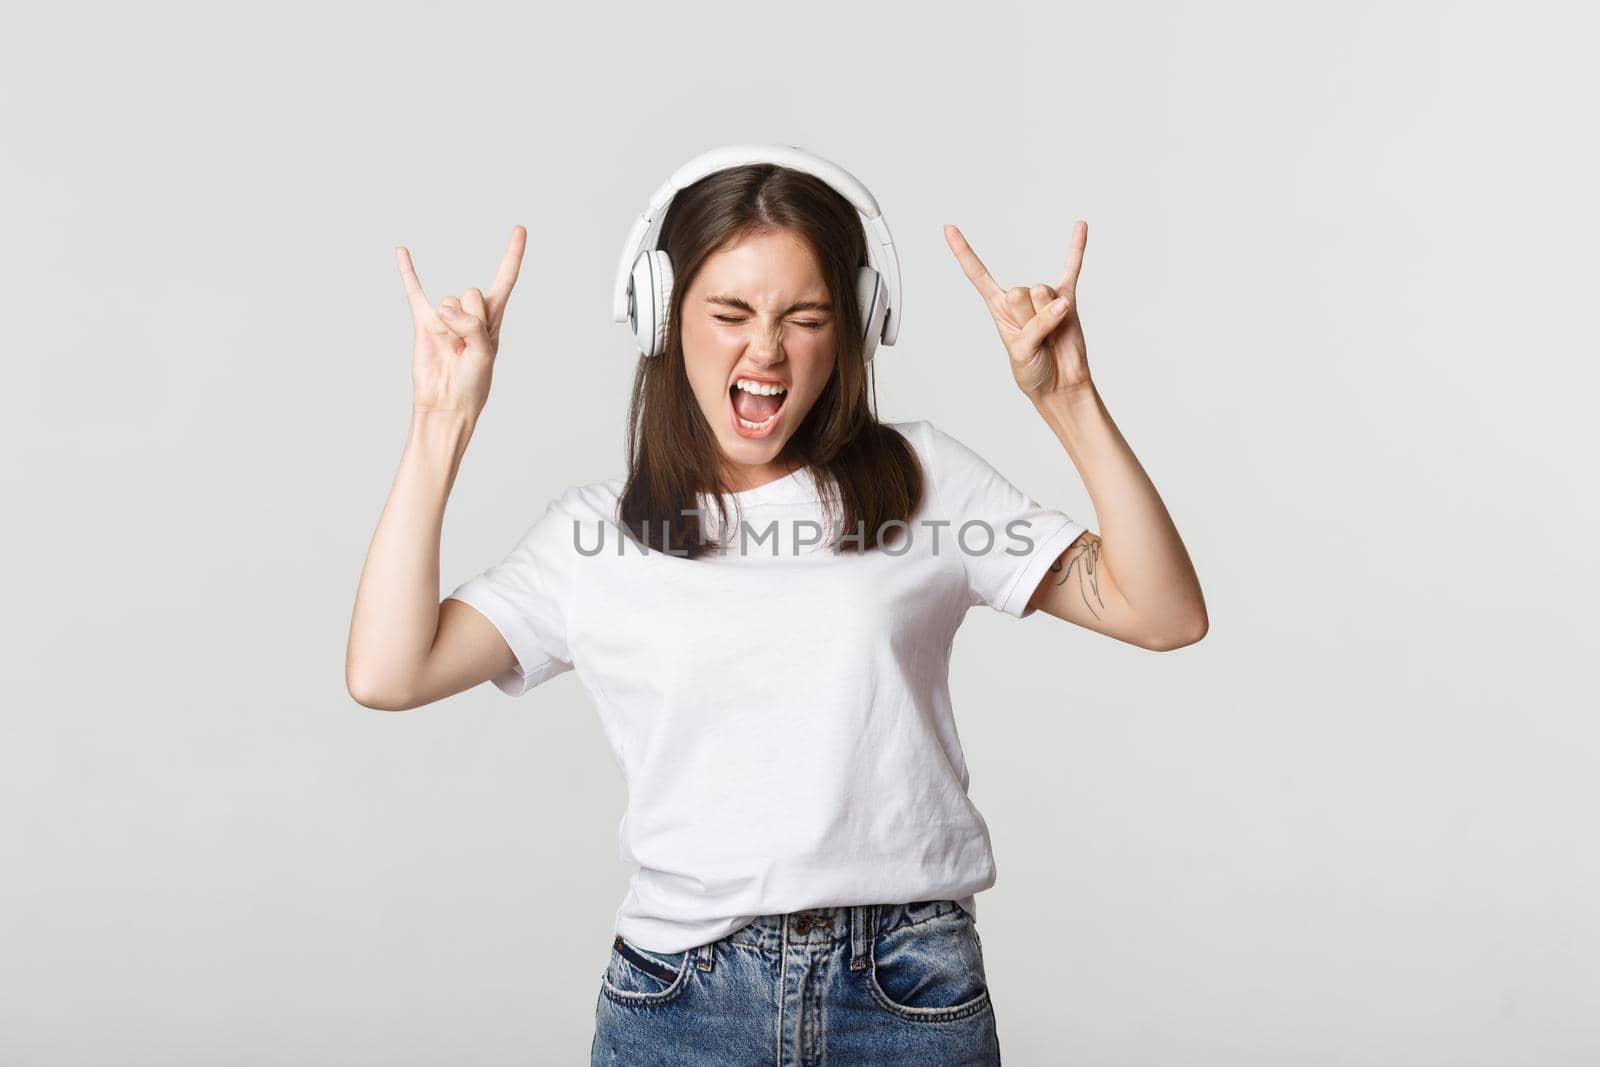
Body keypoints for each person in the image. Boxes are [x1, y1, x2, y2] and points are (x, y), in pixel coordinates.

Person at [345, 144, 1208, 1066]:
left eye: (804, 317)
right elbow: (389, 671)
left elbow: (1161, 612)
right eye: (729, 312)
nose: (765, 348)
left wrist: (1069, 399)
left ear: (854, 330)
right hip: (681, 1001)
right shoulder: (594, 535)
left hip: (907, 990)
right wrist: (442, 420)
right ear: (659, 316)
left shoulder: (926, 484)